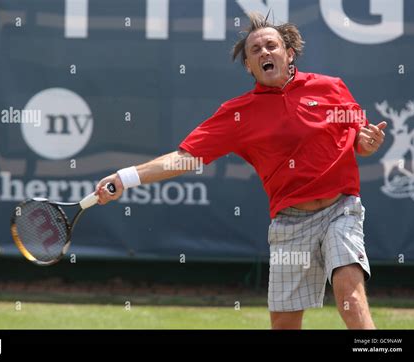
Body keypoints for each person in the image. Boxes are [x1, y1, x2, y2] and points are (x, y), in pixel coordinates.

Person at [94, 12, 386, 329]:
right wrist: (125, 177)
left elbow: (358, 137)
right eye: (255, 51)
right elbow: (186, 157)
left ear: (289, 54)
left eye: (271, 46)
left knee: (350, 295)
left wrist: (366, 142)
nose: (264, 53)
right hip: (290, 222)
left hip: (340, 210)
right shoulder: (238, 114)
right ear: (249, 66)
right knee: (285, 325)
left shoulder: (331, 88)